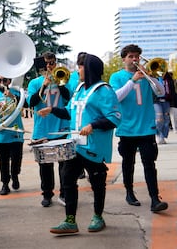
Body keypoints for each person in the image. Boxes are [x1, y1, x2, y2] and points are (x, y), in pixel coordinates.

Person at [49, 53, 121, 234]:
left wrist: (92, 125)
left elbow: (115, 118)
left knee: (97, 182)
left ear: (88, 69)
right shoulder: (80, 88)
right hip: (76, 145)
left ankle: (98, 216)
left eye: (81, 67)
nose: (78, 70)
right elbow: (70, 111)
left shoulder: (104, 90)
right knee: (67, 179)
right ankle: (70, 220)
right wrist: (52, 110)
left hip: (93, 147)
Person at [109, 44, 168, 212]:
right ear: (124, 59)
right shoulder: (117, 77)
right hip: (126, 128)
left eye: (137, 56)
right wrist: (133, 80)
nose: (135, 59)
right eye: (131, 56)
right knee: (128, 163)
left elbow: (161, 92)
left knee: (149, 163)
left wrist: (152, 76)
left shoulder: (147, 76)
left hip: (147, 128)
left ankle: (155, 199)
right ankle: (129, 192)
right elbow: (116, 97)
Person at [27, 51, 70, 207]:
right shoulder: (34, 83)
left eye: (52, 63)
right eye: (46, 63)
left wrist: (58, 83)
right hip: (42, 129)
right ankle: (47, 194)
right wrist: (44, 85)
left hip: (61, 128)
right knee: (45, 166)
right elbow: (31, 102)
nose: (49, 66)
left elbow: (69, 98)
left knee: (64, 165)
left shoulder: (63, 79)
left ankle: (64, 193)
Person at [0, 76, 24, 195]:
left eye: (4, 80)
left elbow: (25, 105)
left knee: (16, 158)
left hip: (16, 131)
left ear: (9, 82)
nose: (1, 83)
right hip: (0, 133)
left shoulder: (16, 92)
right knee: (3, 160)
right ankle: (5, 183)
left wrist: (12, 96)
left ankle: (15, 175)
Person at [153, 71, 175, 144]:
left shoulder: (168, 79)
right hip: (156, 101)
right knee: (159, 119)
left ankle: (163, 136)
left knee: (166, 120)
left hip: (166, 101)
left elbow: (172, 91)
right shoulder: (153, 78)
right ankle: (158, 135)